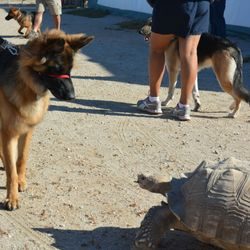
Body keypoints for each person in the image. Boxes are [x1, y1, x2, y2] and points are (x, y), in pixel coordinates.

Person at [137, 0, 210, 121]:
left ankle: (153, 100)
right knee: (190, 54)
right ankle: (183, 107)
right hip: (200, 4)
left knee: (157, 50)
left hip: (171, 4)